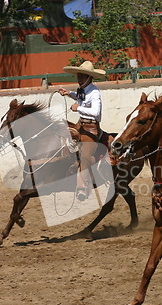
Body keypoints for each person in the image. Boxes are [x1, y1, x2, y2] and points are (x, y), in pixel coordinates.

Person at [58, 61, 106, 201]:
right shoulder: (83, 90)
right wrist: (69, 94)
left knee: (85, 156)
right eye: (78, 76)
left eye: (82, 76)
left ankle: (82, 188)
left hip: (91, 128)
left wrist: (78, 108)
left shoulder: (95, 92)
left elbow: (96, 112)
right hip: (81, 125)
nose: (79, 79)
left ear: (89, 77)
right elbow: (80, 98)